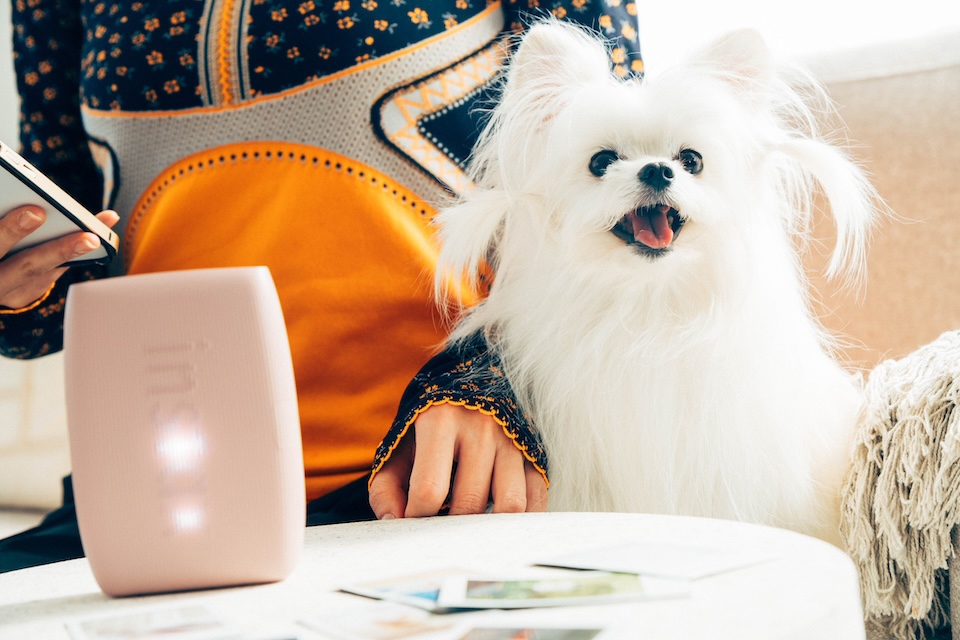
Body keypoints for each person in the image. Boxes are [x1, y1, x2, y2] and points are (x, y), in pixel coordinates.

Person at [0, 0, 642, 572]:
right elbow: (54, 290)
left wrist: (493, 384)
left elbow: (625, 209)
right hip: (153, 494)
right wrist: (15, 282)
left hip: (422, 480)